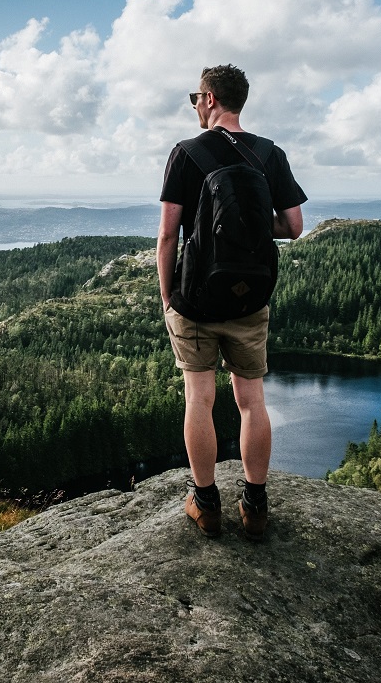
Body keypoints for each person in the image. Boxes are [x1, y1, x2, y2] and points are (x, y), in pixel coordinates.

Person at [157, 64, 306, 540]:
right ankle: (256, 505)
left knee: (199, 399)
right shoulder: (270, 154)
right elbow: (293, 226)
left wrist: (168, 299)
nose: (196, 107)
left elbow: (167, 236)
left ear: (209, 98)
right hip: (250, 300)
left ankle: (206, 503)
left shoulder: (187, 153)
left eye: (195, 99)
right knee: (251, 400)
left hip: (196, 301)